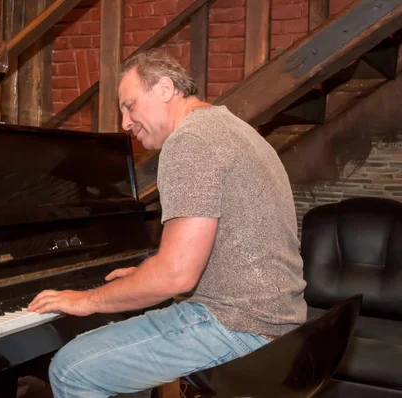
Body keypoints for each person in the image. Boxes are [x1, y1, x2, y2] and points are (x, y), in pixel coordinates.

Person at [27, 49, 307, 397]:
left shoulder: (190, 140)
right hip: (279, 320)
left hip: (238, 326)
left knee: (72, 369)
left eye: (129, 106)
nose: (124, 123)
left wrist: (86, 300)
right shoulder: (231, 127)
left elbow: (177, 274)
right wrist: (146, 274)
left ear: (164, 89)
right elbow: (219, 252)